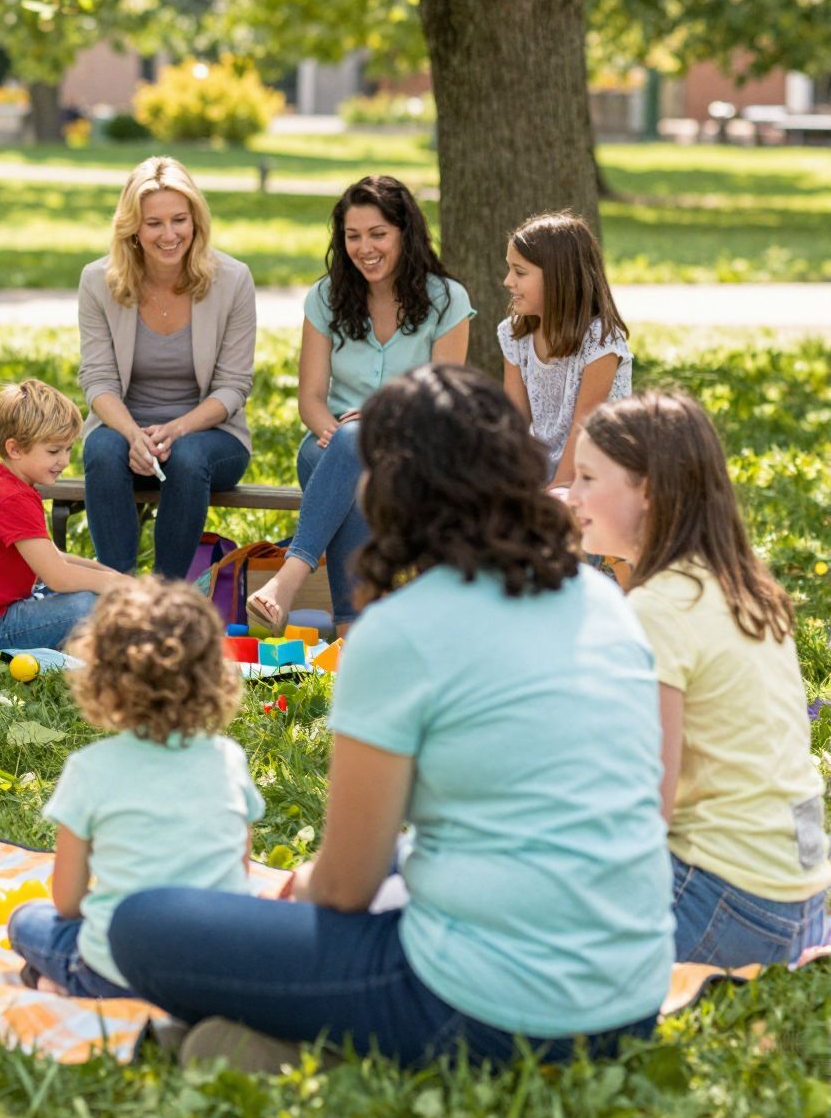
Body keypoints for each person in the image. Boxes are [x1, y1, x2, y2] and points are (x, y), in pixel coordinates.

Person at [107, 364, 673, 1071]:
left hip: (486, 1005)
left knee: (142, 924)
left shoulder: (399, 632)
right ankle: (283, 1039)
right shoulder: (601, 600)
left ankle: (312, 1040)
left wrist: (296, 892)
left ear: (394, 490)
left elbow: (347, 886)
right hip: (631, 999)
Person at [569, 393, 829, 966]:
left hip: (729, 902)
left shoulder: (659, 611)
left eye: (587, 477)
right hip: (805, 901)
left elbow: (644, 805)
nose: (573, 495)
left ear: (649, 491)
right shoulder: (741, 585)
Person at [8, 578, 263, 999]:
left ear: (102, 680)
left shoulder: (89, 769)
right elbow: (240, 870)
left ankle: (60, 981)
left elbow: (68, 903)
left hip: (118, 969)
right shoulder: (229, 759)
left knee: (26, 921)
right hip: (216, 968)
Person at [246, 176, 472, 634]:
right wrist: (338, 433)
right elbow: (310, 398)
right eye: (352, 236)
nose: (364, 247)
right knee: (342, 449)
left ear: (404, 233)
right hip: (332, 443)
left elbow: (441, 399)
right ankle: (353, 627)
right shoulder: (325, 298)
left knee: (353, 447)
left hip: (417, 449)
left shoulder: (447, 299)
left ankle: (293, 585)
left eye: (377, 234)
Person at [77, 157, 257, 578]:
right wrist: (131, 434)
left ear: (196, 221)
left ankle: (167, 597)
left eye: (179, 219)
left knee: (187, 457)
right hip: (125, 430)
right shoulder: (98, 281)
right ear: (133, 228)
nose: (169, 234)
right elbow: (97, 380)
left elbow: (233, 387)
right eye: (154, 223)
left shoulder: (233, 280)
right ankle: (116, 592)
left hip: (211, 436)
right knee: (102, 450)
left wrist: (176, 429)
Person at [0, 379, 125, 654]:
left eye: (68, 449)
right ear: (15, 449)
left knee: (93, 594)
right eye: (54, 451)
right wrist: (117, 586)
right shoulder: (11, 497)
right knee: (87, 605)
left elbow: (55, 558)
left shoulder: (10, 484)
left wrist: (111, 575)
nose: (65, 461)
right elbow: (57, 577)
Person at [500, 210, 632, 491]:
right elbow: (515, 424)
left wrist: (555, 490)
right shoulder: (514, 333)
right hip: (544, 471)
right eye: (510, 269)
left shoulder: (600, 341)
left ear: (559, 278)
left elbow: (583, 427)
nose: (507, 281)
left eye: (520, 272)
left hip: (596, 471)